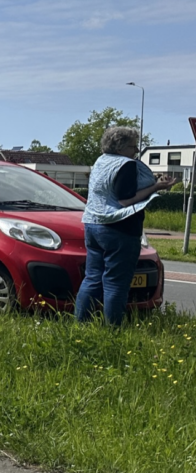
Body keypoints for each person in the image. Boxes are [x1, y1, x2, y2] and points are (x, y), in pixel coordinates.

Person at [75, 126, 177, 325]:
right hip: (118, 227)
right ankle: (113, 330)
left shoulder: (101, 161)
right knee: (116, 283)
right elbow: (125, 200)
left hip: (93, 224)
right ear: (120, 147)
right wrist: (156, 187)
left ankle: (82, 324)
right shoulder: (126, 164)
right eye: (133, 146)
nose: (136, 151)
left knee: (92, 278)